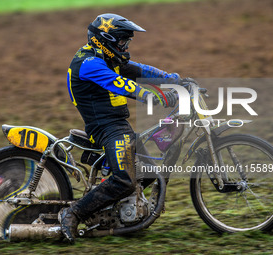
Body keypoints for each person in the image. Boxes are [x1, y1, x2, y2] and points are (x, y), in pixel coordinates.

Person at [61, 13, 189, 243]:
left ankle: (116, 213)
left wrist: (176, 80)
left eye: (127, 42)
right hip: (105, 128)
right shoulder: (88, 63)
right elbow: (123, 85)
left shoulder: (107, 58)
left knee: (151, 173)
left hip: (119, 125)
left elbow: (139, 71)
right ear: (106, 40)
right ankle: (73, 214)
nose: (125, 46)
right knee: (124, 180)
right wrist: (159, 98)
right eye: (122, 41)